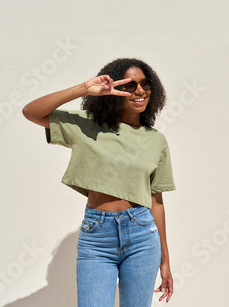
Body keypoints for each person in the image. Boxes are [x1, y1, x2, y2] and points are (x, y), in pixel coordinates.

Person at [22, 58, 176, 306]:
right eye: (130, 85)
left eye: (145, 84)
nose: (139, 91)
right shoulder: (86, 125)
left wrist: (165, 261)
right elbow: (31, 111)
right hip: (97, 238)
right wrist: (84, 88)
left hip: (142, 236)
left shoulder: (156, 140)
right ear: (114, 90)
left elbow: (156, 202)